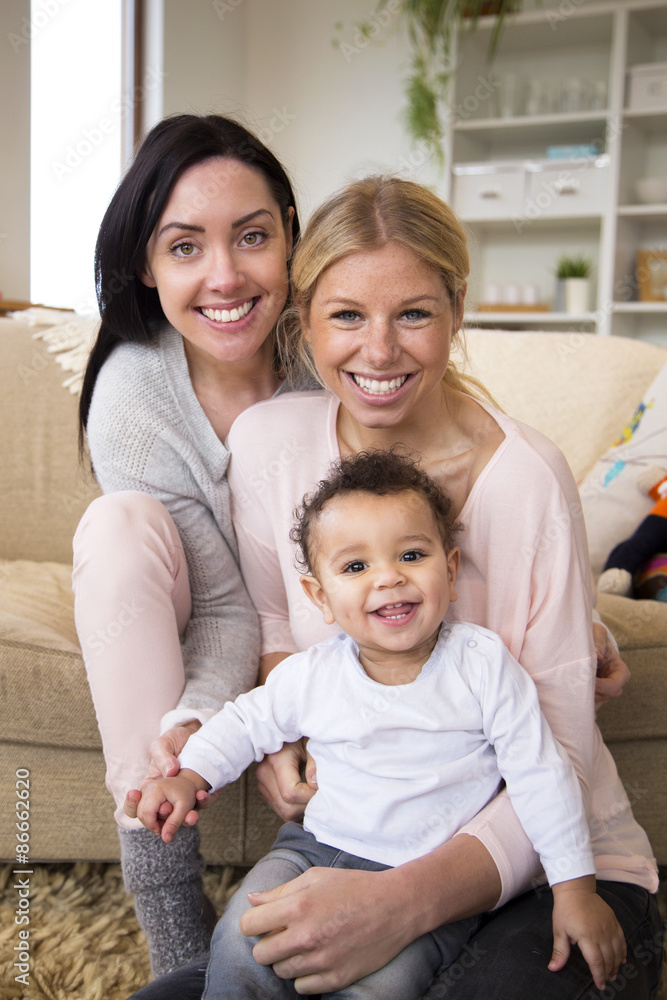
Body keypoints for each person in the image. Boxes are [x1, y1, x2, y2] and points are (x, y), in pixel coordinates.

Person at [128, 174, 660, 1000]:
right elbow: (275, 628)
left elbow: (553, 760)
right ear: (303, 318)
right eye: (346, 315)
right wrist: (269, 742)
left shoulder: (525, 478)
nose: (378, 352)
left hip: (551, 862)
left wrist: (397, 904)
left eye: (412, 313)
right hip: (358, 838)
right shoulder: (270, 444)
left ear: (456, 309)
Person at [133, 449, 627, 999]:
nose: (388, 578)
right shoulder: (314, 673)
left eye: (412, 555)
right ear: (321, 597)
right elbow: (245, 722)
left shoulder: (482, 665)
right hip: (312, 850)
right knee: (240, 942)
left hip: (427, 879)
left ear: (452, 569)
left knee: (386, 986)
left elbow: (542, 773)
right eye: (355, 567)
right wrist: (189, 775)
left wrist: (574, 888)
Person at [71, 112, 307, 976]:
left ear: (291, 239)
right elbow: (219, 601)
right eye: (184, 247)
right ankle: (170, 918)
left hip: (326, 616)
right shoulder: (135, 389)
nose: (225, 277)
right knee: (115, 526)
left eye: (252, 237)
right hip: (197, 609)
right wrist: (200, 726)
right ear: (145, 263)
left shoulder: (339, 348)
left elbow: (458, 487)